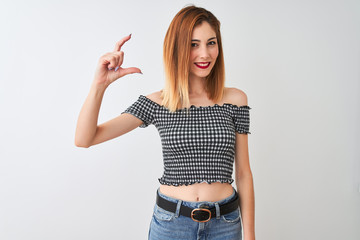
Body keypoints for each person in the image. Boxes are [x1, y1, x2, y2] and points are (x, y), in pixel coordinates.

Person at [75, 4, 255, 240]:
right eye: (193, 44)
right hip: (172, 225)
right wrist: (99, 85)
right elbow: (84, 138)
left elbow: (243, 173)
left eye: (211, 43)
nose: (205, 54)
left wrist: (250, 236)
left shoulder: (236, 99)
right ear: (178, 48)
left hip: (225, 224)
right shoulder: (159, 102)